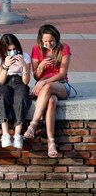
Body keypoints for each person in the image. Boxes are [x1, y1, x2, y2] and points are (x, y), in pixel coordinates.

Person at [24, 24, 72, 158]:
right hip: (43, 87)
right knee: (51, 102)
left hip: (61, 85)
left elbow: (62, 74)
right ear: (41, 40)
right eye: (45, 41)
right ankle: (51, 143)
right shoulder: (36, 49)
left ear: (56, 38)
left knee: (48, 87)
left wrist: (44, 82)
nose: (48, 44)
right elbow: (36, 76)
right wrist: (40, 67)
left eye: (51, 41)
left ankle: (33, 124)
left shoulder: (64, 48)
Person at [0, 33, 31, 149]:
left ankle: (18, 134)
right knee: (3, 96)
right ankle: (5, 134)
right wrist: (5, 66)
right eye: (9, 50)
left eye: (15, 49)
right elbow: (0, 81)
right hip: (5, 81)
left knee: (21, 97)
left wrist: (24, 66)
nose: (13, 52)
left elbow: (26, 82)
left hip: (19, 81)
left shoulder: (24, 56)